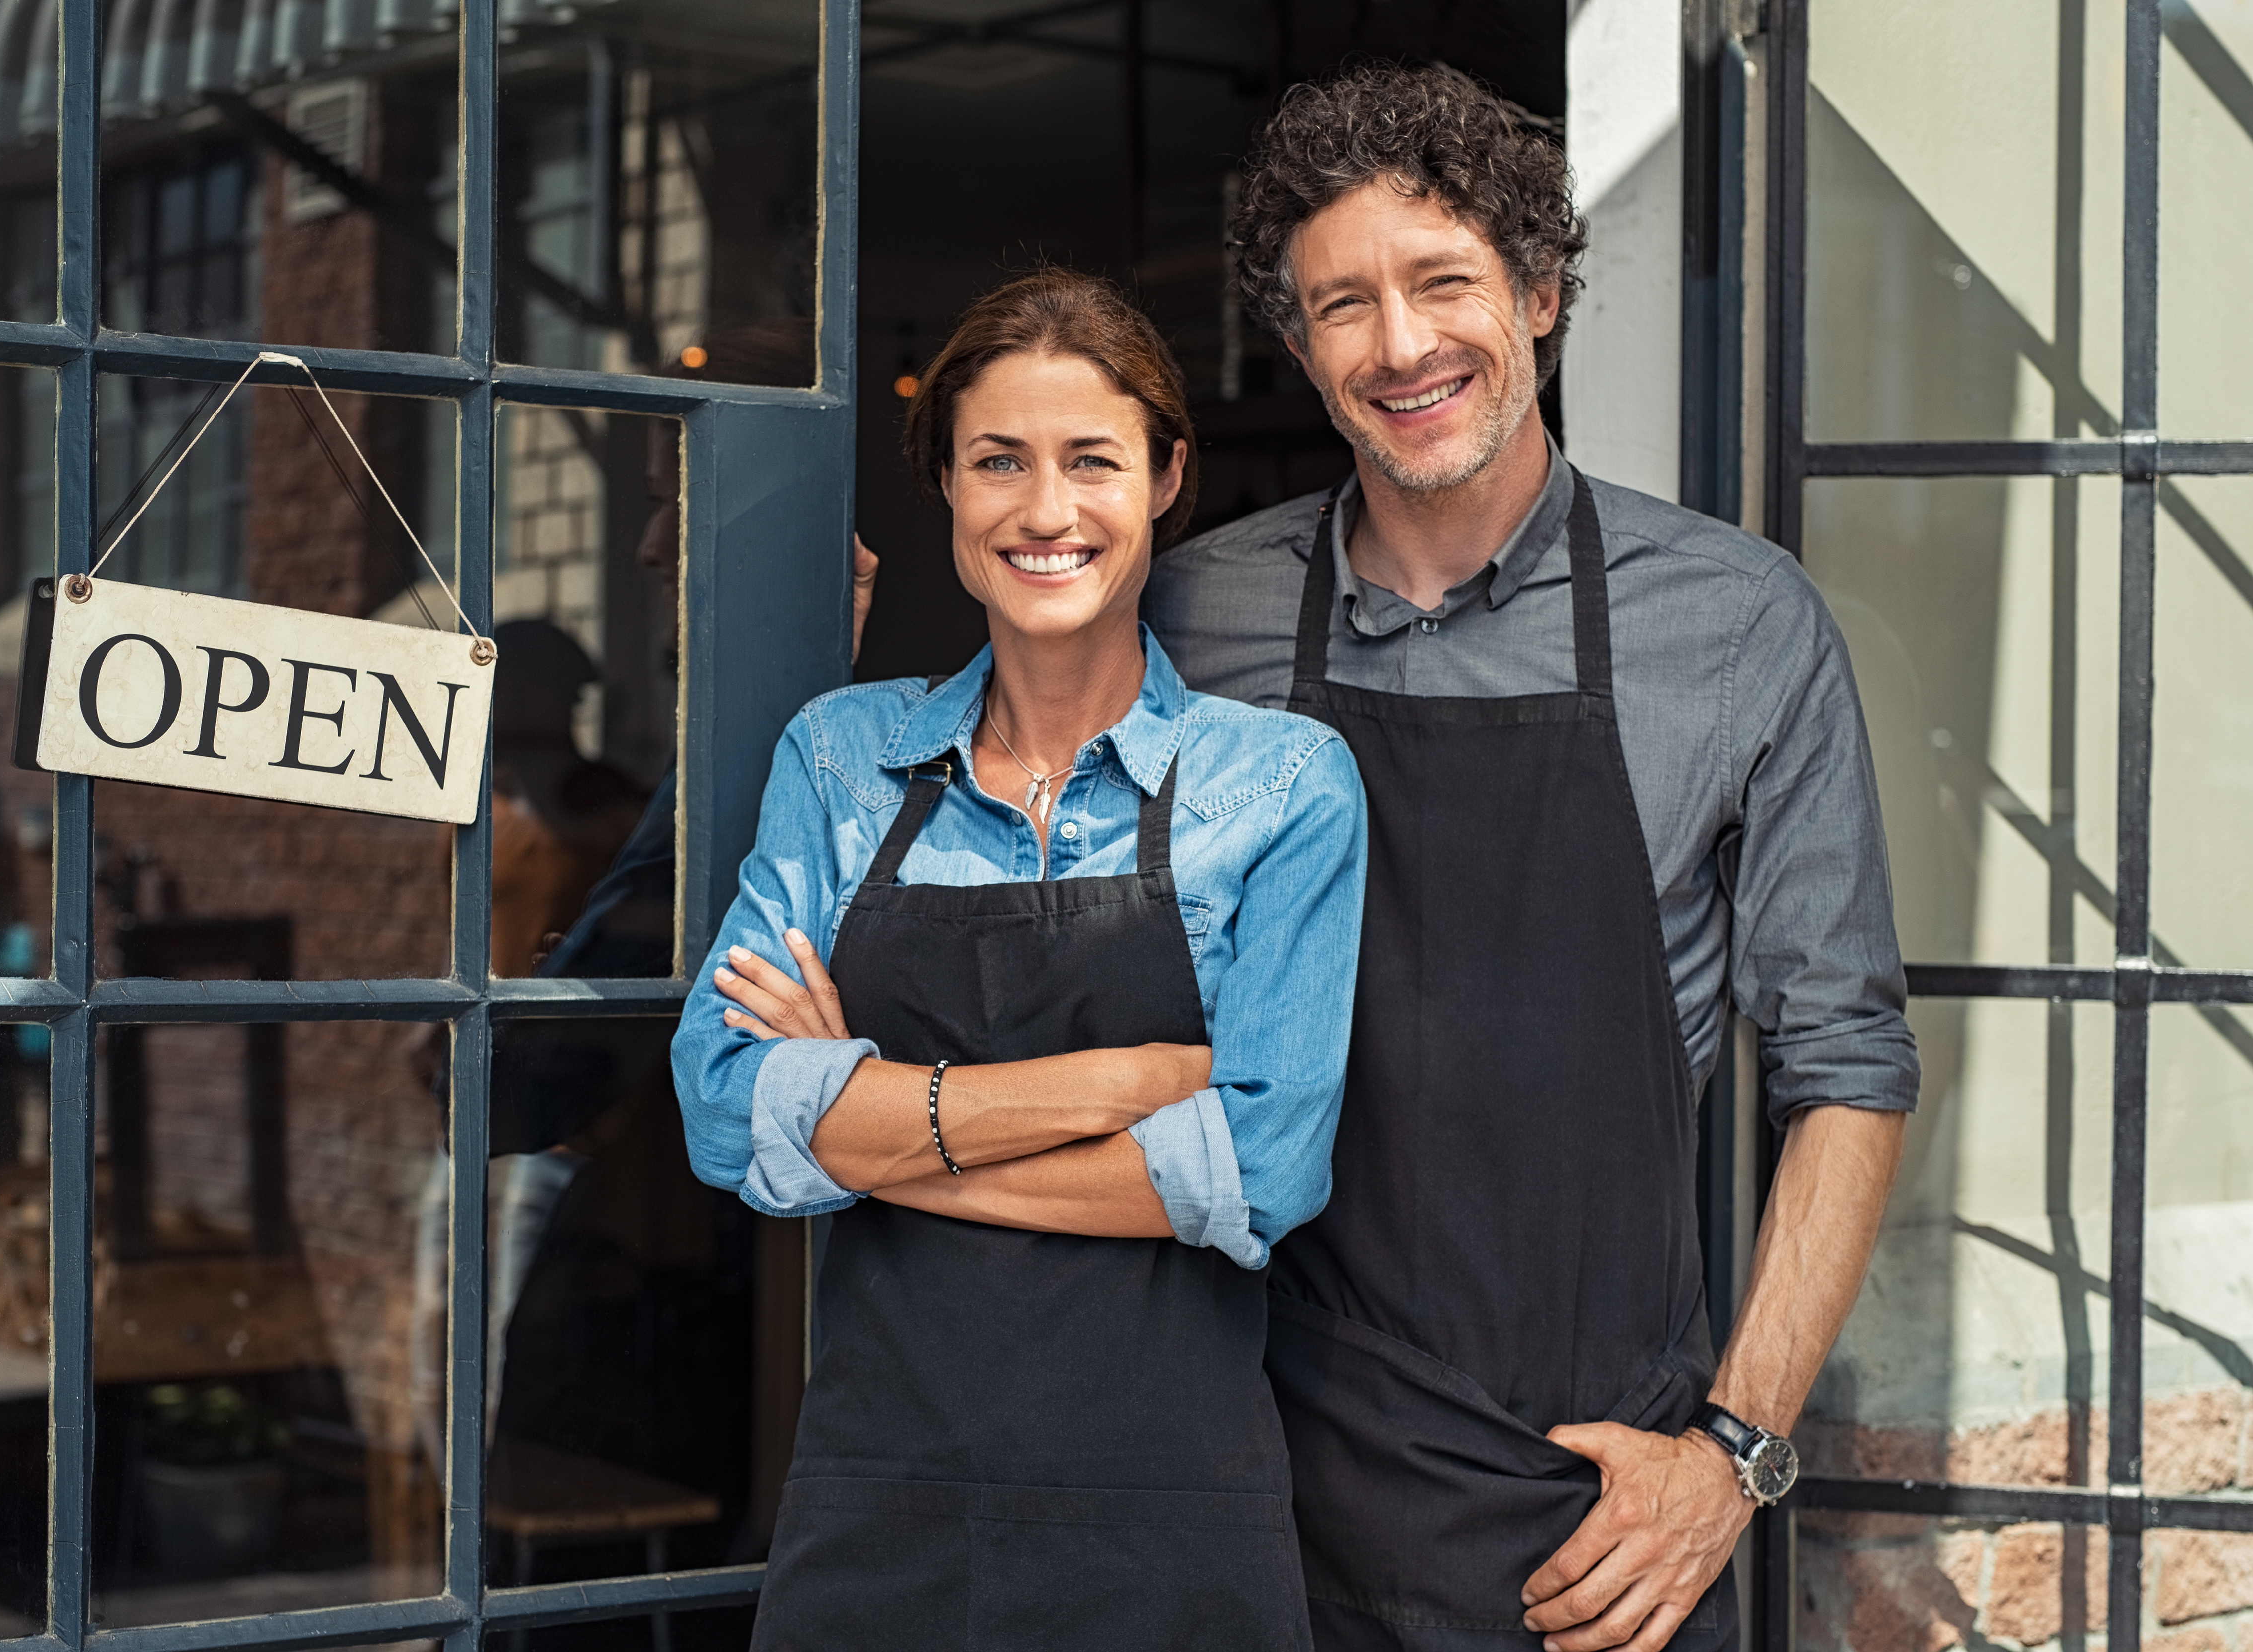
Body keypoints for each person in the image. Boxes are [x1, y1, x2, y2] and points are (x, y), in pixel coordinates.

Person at [1142, 63, 1918, 1652]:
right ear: (1298, 346)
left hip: (1601, 1511)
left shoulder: (1737, 622)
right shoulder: (1189, 616)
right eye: (1342, 303)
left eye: (1443, 281)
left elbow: (1846, 1066)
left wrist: (1735, 1454)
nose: (1402, 344)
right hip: (1248, 1464)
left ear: (1543, 293)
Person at [672, 268, 1367, 1650]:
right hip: (884, 1514)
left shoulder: (1283, 786)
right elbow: (720, 1109)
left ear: (1167, 476)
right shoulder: (844, 758)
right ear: (946, 487)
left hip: (1173, 1529)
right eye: (999, 461)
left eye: (1091, 461)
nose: (1046, 511)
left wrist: (873, 1131)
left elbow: (1265, 1172)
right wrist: (1128, 1082)